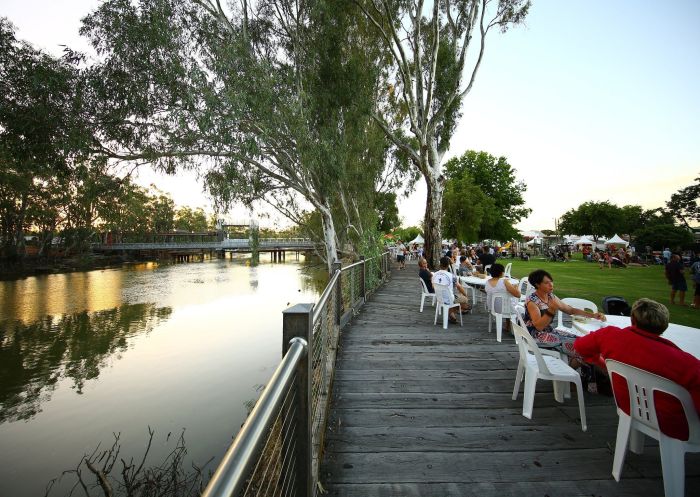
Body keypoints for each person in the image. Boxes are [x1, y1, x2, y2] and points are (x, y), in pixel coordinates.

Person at [573, 298, 700, 439]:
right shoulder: (688, 364)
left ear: (633, 319)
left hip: (628, 407)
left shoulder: (609, 336)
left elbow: (580, 347)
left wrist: (604, 365)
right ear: (664, 325)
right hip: (676, 427)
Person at [523, 269, 606, 362]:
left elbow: (570, 310)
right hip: (536, 336)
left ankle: (578, 369)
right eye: (546, 283)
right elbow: (538, 327)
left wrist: (593, 315)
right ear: (537, 284)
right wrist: (551, 310)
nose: (551, 285)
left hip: (549, 331)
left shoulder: (551, 296)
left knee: (583, 341)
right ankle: (571, 370)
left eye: (551, 281)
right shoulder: (533, 302)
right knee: (582, 348)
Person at [432, 256, 471, 323]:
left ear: (440, 264)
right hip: (450, 298)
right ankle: (459, 309)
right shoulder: (451, 276)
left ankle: (452, 314)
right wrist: (465, 295)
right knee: (464, 299)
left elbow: (433, 286)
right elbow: (459, 287)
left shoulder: (434, 275)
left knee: (451, 297)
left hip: (439, 298)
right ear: (448, 265)